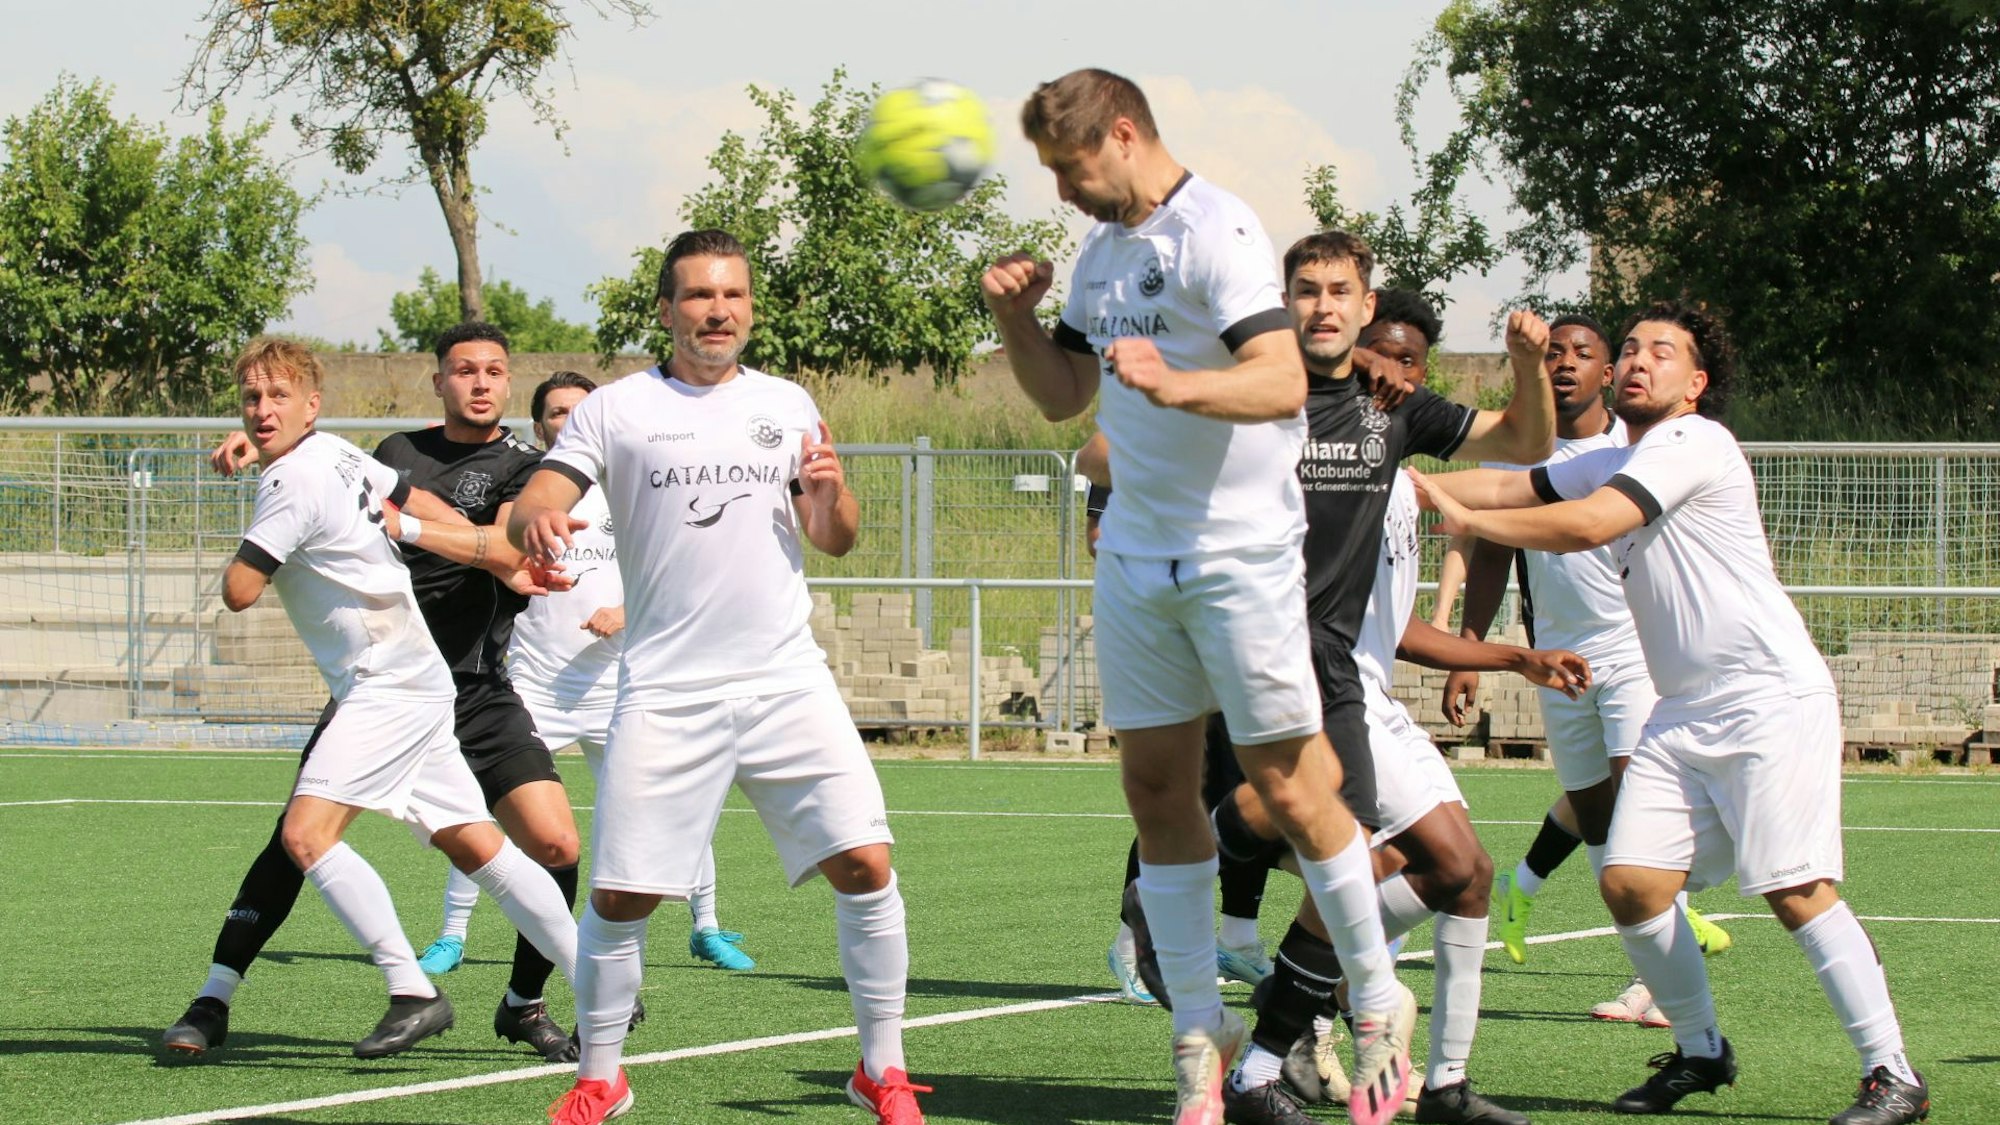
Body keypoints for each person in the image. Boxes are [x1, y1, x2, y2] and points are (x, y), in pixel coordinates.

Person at [983, 69, 1410, 1125]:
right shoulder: (1099, 254)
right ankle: (1195, 1035)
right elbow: (1060, 398)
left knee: (1291, 787)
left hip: (1237, 554)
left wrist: (1177, 384)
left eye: (1070, 166)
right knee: (1155, 792)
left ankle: (1376, 995)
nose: (1062, 191)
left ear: (1122, 136)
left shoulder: (1217, 229)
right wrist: (1015, 322)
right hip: (1135, 556)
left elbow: (1277, 381)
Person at [1410, 301, 1929, 1124]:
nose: (1640, 360)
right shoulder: (1616, 456)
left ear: (1696, 385)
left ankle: (1892, 1071)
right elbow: (1510, 479)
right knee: (1630, 880)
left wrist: (1468, 518)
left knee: (1796, 890)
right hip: (1685, 713)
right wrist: (1396, 481)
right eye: (1634, 349)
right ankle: (1701, 1049)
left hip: (1768, 699)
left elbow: (1586, 525)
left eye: (1664, 352)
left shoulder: (1698, 443)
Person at [513, 229, 923, 1125]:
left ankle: (881, 1068)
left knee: (865, 861)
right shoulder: (615, 410)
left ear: (749, 308)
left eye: (732, 295)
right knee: (623, 893)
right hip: (665, 688)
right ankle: (603, 1076)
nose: (718, 311)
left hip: (785, 679)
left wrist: (830, 491)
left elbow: (836, 535)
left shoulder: (787, 402)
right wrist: (537, 523)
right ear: (666, 311)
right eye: (699, 296)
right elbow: (540, 497)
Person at [164, 323, 593, 1065]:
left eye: (278, 396)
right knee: (467, 842)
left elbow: (239, 589)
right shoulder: (360, 450)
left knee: (308, 836)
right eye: (251, 399)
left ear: (313, 404)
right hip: (415, 676)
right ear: (439, 380)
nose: (262, 407)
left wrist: (281, 506)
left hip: (421, 682)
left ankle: (418, 989)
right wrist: (268, 451)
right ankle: (602, 979)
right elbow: (390, 489)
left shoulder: (515, 468)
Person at [1205, 242, 1554, 1125]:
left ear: (1363, 306)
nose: (1323, 307)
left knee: (1442, 870)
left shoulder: (1391, 412)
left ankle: (1390, 1077)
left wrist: (1525, 364)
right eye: (1306, 293)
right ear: (1284, 302)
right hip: (1267, 669)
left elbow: (1523, 441)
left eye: (1340, 294)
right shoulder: (1254, 390)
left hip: (1348, 682)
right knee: (1353, 861)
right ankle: (1252, 1036)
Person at [1441, 314, 1730, 1024]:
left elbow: (1584, 527)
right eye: (1556, 353)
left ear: (1608, 373)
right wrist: (1470, 647)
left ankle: (1667, 987)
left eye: (1585, 353)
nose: (1566, 363)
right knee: (1598, 824)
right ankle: (1650, 970)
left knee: (1641, 817)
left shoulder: (1633, 449)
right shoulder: (1526, 454)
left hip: (1633, 653)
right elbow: (1494, 555)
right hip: (1557, 661)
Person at [417, 371, 755, 978]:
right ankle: (452, 933)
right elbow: (486, 557)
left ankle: (705, 924)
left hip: (618, 686)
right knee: (484, 807)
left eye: (579, 411)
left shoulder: (631, 488)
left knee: (661, 807)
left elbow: (680, 574)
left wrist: (625, 613)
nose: (566, 421)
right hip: (532, 686)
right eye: (554, 413)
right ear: (539, 423)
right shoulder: (519, 496)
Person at [1080, 434, 1273, 1005]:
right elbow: (1098, 536)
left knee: (1250, 790)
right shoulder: (1133, 436)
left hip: (1246, 630)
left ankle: (1239, 936)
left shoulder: (1253, 431)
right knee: (1188, 793)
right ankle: (1130, 942)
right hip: (1178, 631)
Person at [1351, 288, 1469, 633]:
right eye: (1375, 355)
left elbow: (1521, 463)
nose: (1388, 373)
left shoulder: (1406, 486)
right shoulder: (1305, 446)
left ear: (1424, 375)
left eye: (1405, 362)